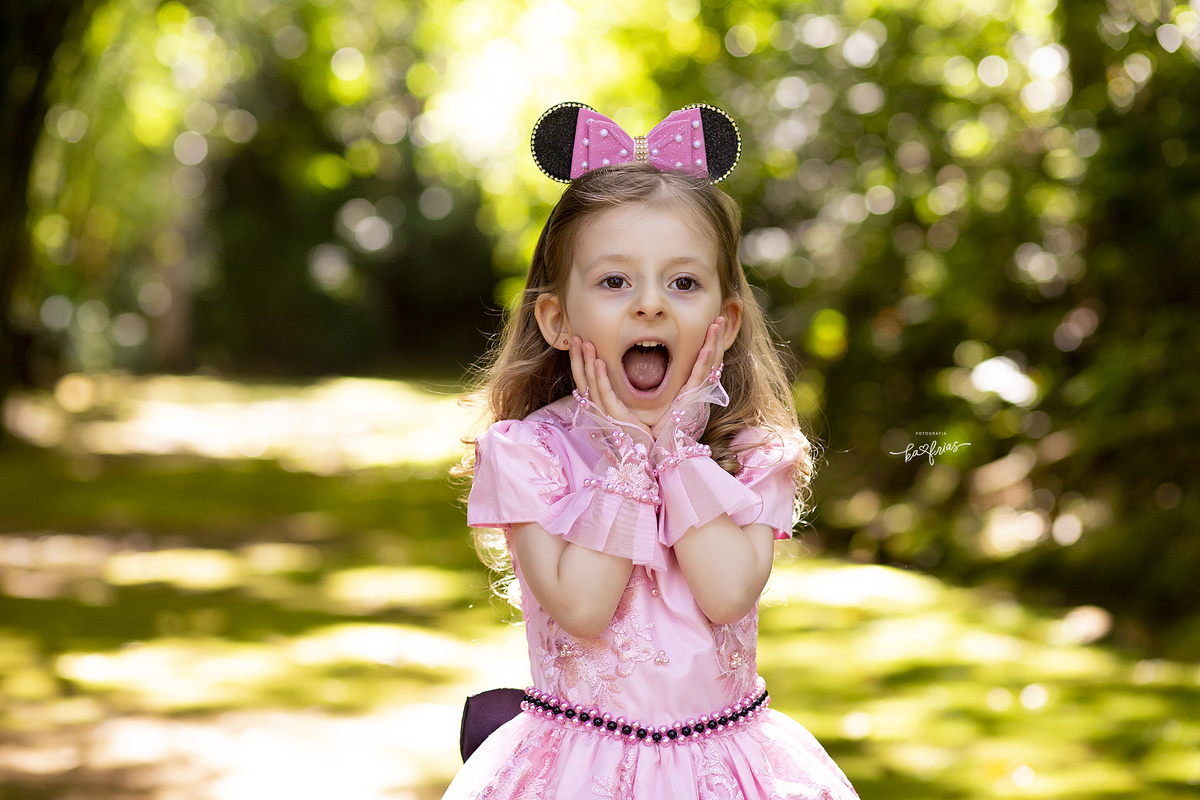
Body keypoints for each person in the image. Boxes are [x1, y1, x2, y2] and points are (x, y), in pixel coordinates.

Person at [444, 104, 857, 799]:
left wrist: (675, 451)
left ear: (725, 322)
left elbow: (726, 594)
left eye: (683, 283)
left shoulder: (752, 454)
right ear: (557, 319)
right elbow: (583, 608)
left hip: (723, 771)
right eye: (614, 281)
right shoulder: (527, 453)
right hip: (577, 772)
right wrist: (628, 460)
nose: (650, 305)